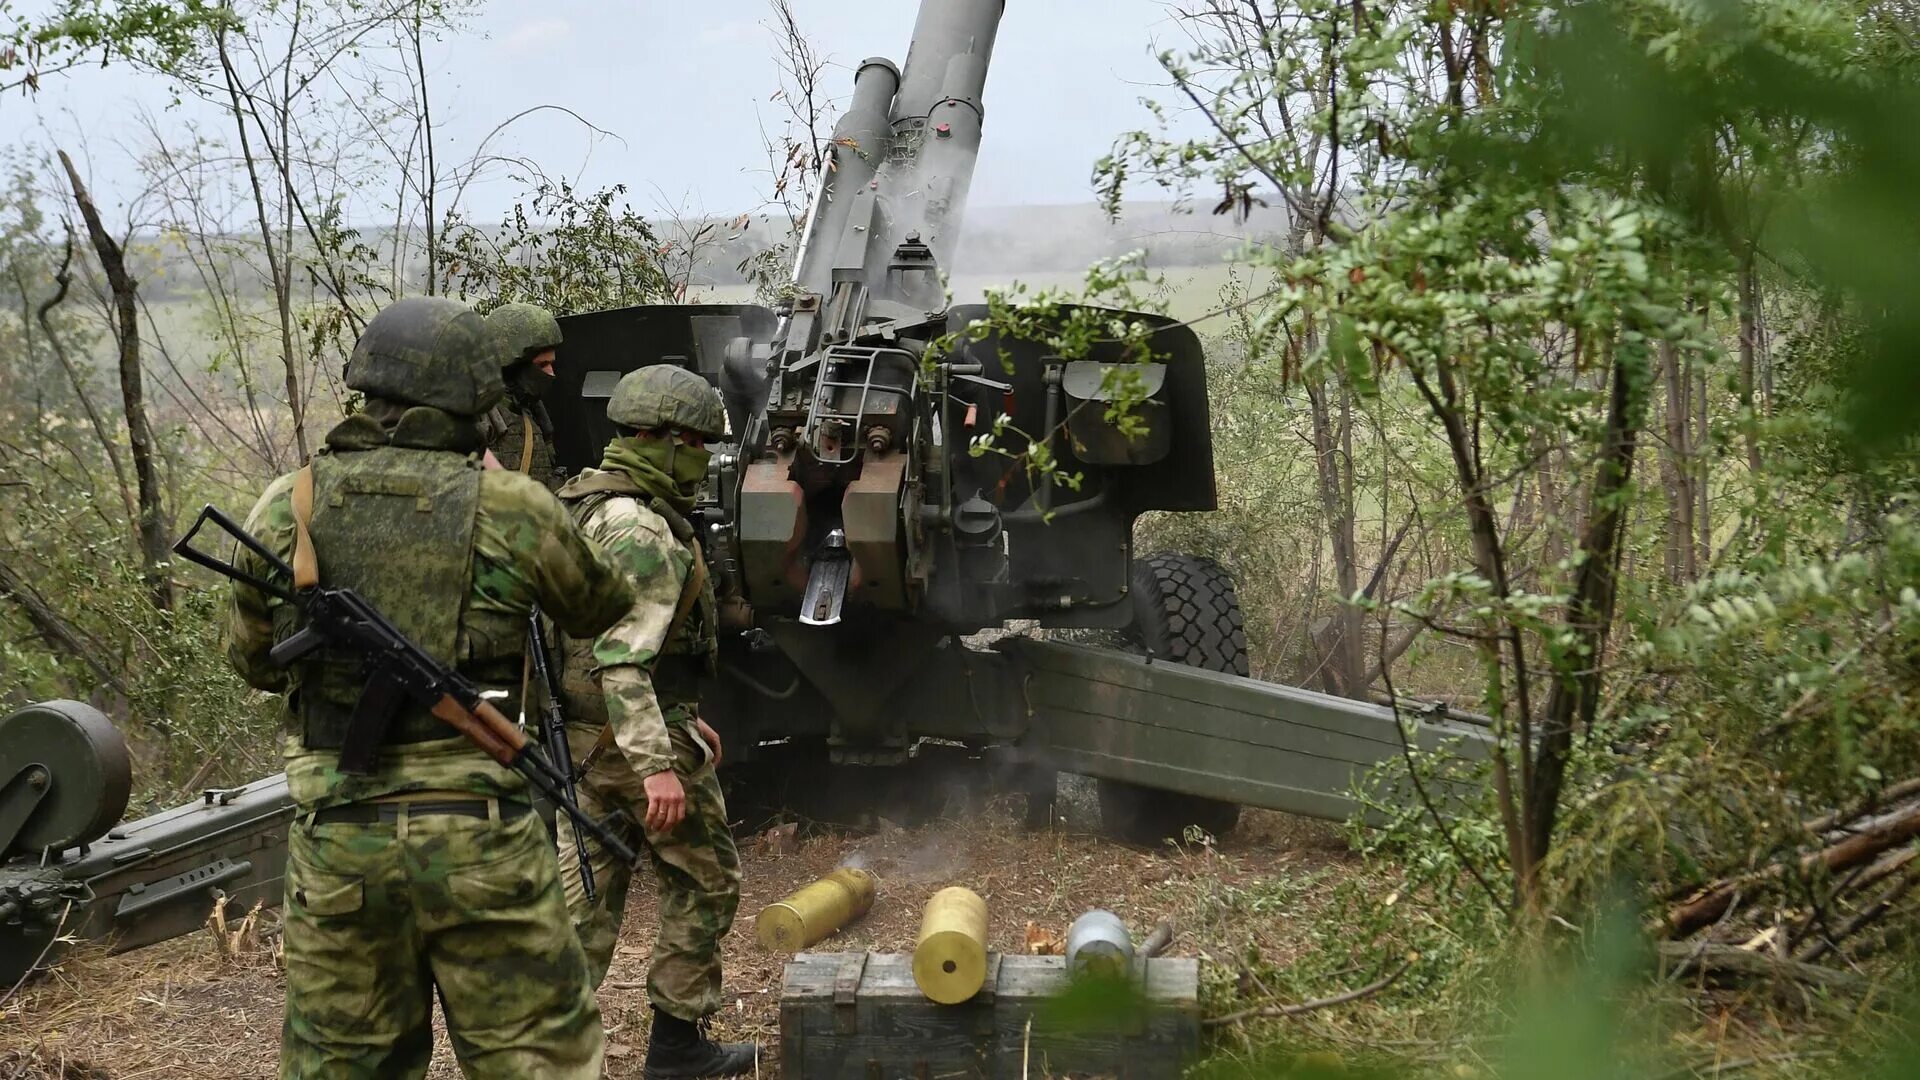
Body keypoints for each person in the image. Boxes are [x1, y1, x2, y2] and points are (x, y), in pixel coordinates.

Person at [223, 296, 635, 1079]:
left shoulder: (291, 504)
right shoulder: (511, 507)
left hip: (338, 836)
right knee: (538, 1063)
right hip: (480, 831)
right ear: (476, 399)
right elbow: (602, 602)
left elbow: (251, 660)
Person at [550, 364, 754, 1079]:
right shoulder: (644, 530)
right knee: (707, 881)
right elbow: (622, 661)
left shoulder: (584, 503)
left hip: (577, 742)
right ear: (664, 442)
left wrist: (684, 720)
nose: (705, 460)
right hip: (629, 744)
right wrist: (657, 764)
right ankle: (676, 1048)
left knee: (583, 910)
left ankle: (543, 1053)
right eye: (698, 445)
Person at [479, 301, 565, 487]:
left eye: (551, 364)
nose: (551, 373)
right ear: (512, 366)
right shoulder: (479, 418)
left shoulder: (530, 410)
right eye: (542, 365)